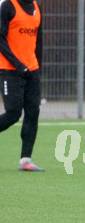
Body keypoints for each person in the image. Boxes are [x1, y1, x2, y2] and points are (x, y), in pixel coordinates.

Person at [0, 0, 43, 171]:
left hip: (32, 70)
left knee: (33, 112)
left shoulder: (37, 7)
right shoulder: (8, 6)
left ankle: (26, 160)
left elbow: (39, 42)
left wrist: (38, 69)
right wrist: (18, 65)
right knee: (13, 113)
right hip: (10, 69)